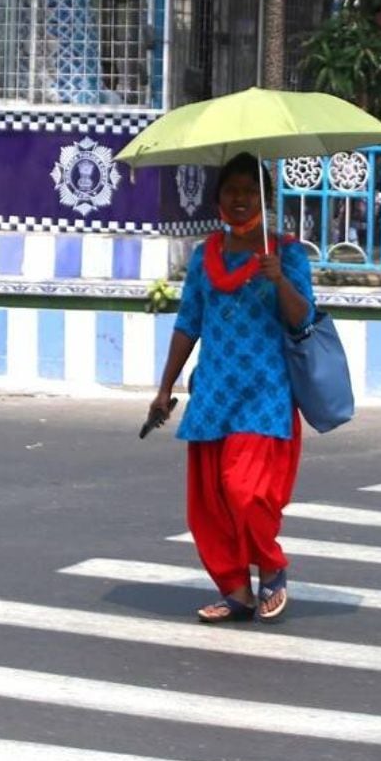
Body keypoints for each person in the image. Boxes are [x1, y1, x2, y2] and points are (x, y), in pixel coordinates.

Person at [147, 152, 315, 625]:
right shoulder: (205, 257)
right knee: (209, 506)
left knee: (244, 491)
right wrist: (165, 389)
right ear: (219, 198)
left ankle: (273, 567)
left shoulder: (287, 254)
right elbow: (188, 324)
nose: (239, 200)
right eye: (231, 190)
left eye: (250, 191)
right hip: (213, 396)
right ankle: (237, 591)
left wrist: (279, 279)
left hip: (266, 394)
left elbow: (303, 318)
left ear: (266, 198)